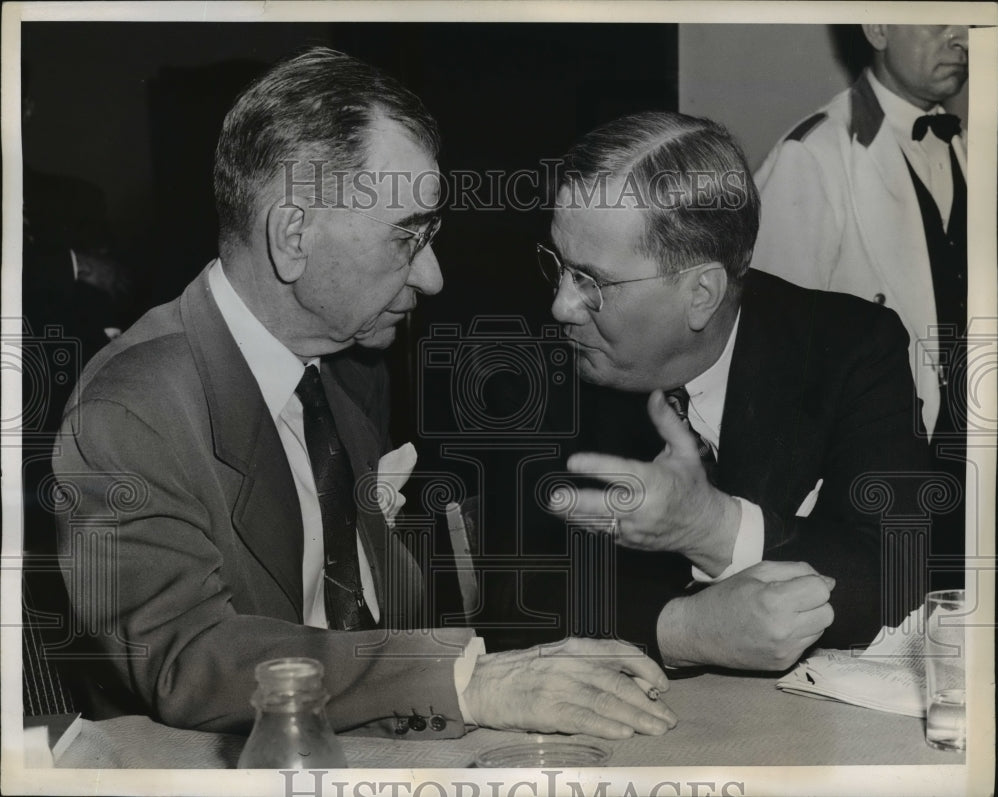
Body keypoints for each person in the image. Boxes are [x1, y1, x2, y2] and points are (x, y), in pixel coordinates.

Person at [49, 48, 677, 741]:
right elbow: (190, 659)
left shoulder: (351, 369)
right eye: (408, 237)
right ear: (293, 238)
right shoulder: (130, 409)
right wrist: (470, 681)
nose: (433, 277)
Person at [536, 110, 931, 671]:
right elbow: (496, 594)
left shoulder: (849, 348)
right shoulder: (534, 368)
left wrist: (714, 528)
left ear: (702, 294)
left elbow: (899, 579)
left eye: (591, 282)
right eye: (557, 265)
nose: (560, 306)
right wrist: (680, 630)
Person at [750, 25, 968, 445]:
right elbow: (770, 353)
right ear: (878, 28)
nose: (962, 38)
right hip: (876, 450)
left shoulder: (967, 147)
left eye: (967, 22)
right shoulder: (812, 154)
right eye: (939, 16)